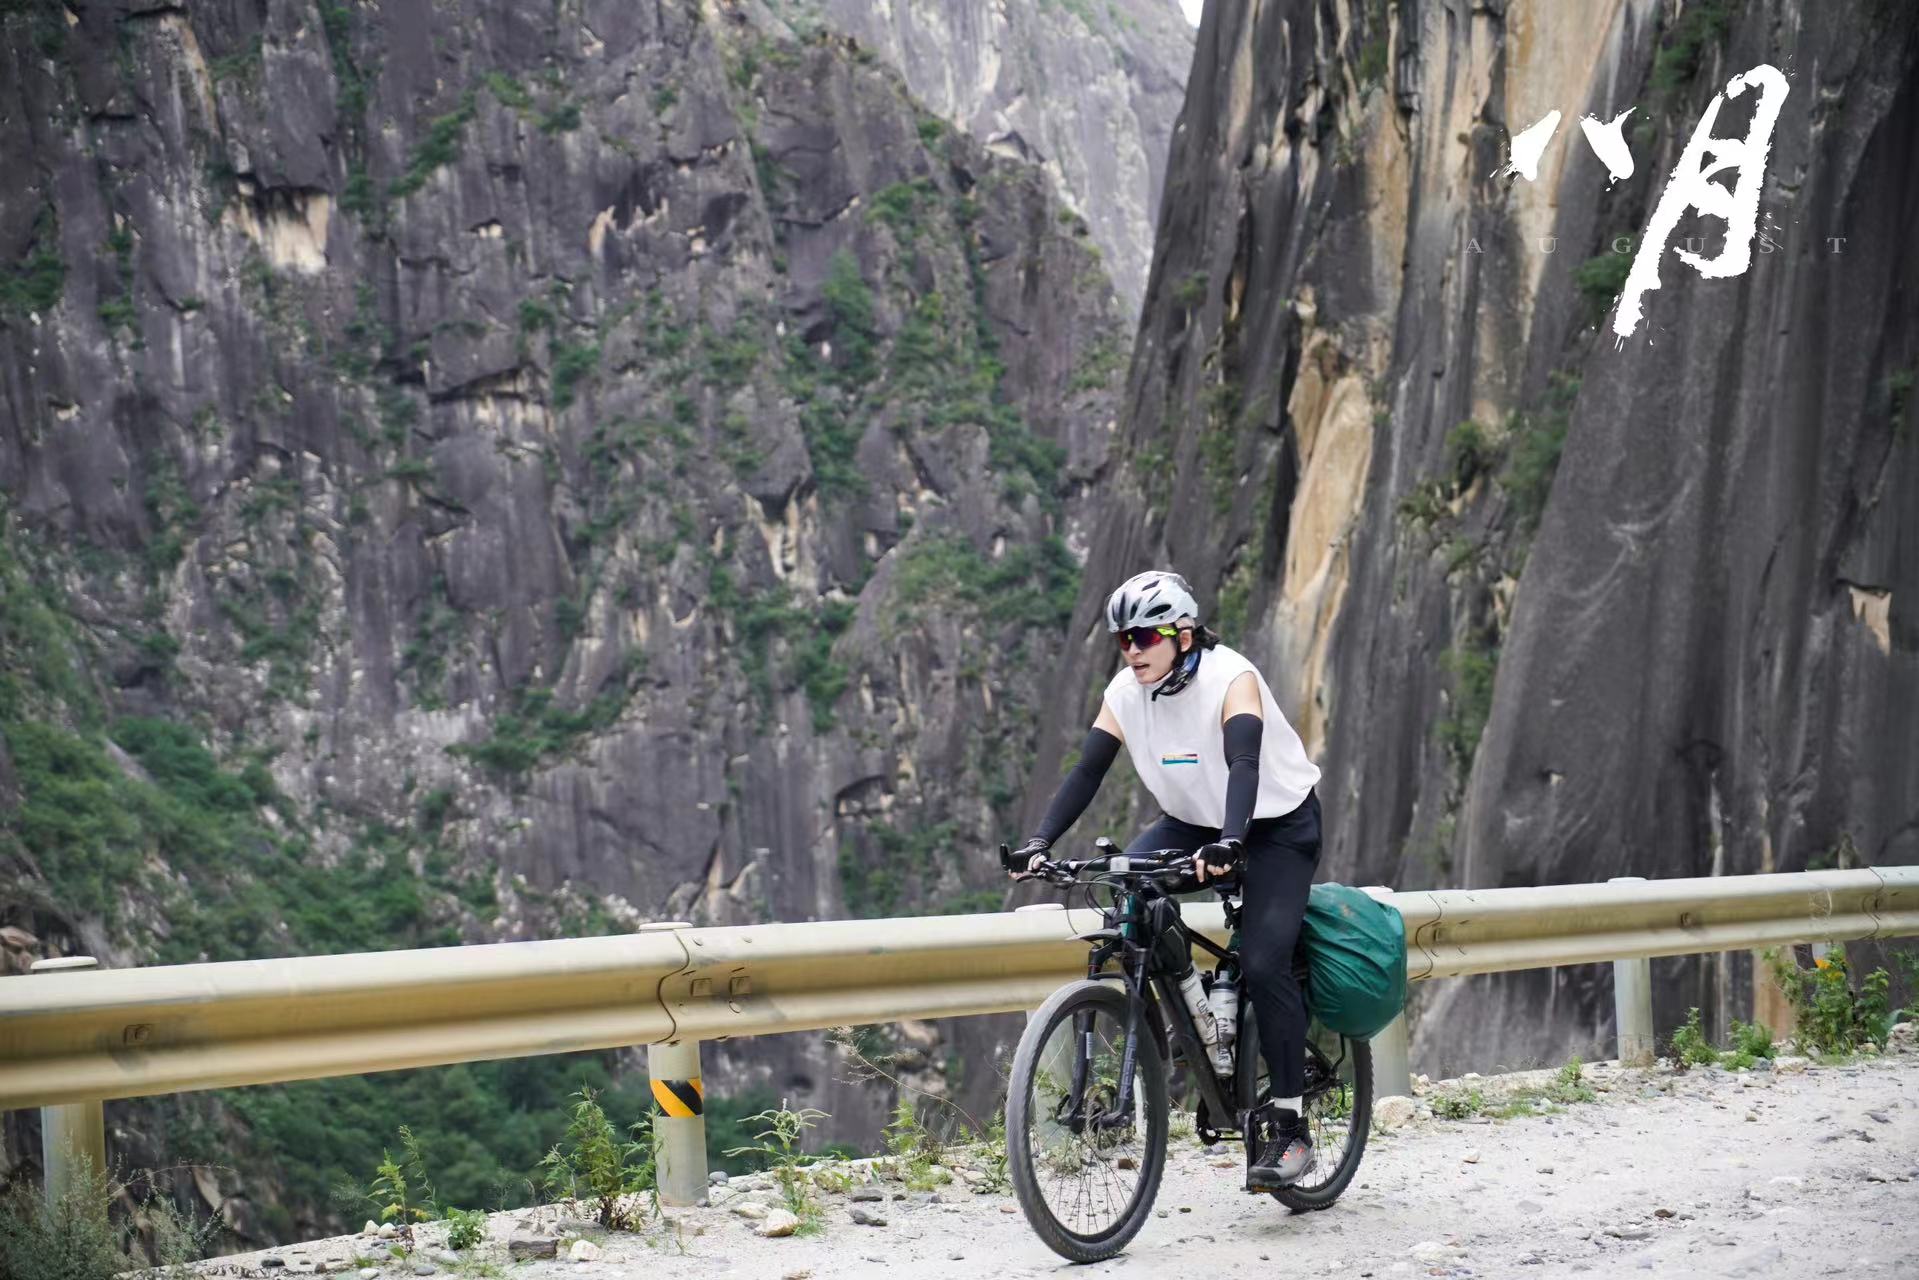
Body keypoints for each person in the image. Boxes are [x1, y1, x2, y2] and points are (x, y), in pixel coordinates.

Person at [1004, 569, 1323, 1190]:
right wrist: (1039, 843)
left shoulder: (1231, 679)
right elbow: (1087, 770)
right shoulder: (1126, 692)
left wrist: (1233, 841)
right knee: (1128, 904)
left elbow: (1244, 761)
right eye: (1122, 639)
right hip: (1192, 822)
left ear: (1182, 633)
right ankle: (1172, 1043)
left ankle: (1289, 1126)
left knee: (1262, 962)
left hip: (1277, 825)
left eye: (1144, 637)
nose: (1131, 650)